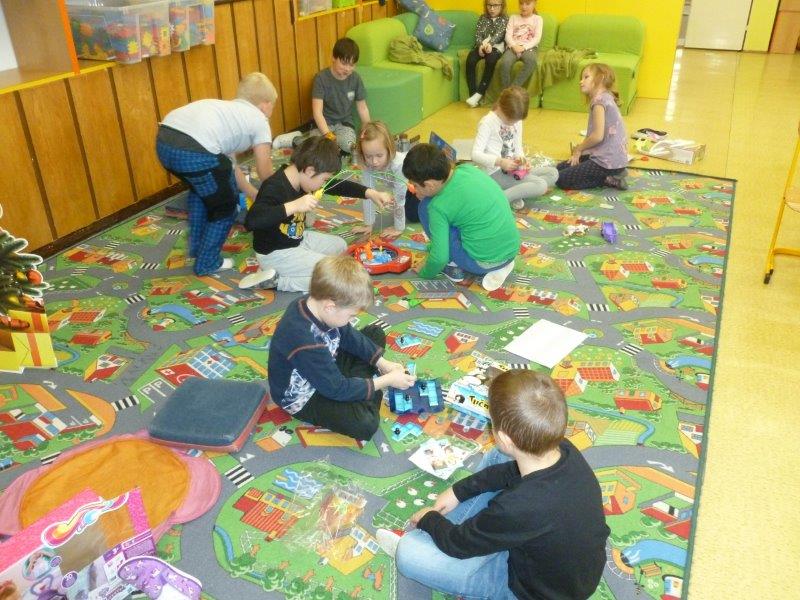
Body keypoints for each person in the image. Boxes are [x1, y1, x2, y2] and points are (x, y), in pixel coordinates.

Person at [376, 370, 610, 600]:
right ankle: (479, 534)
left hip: (531, 590)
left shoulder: (517, 507)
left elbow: (458, 543)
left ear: (505, 438)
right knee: (500, 458)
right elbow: (510, 471)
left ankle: (461, 541)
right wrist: (458, 491)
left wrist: (429, 519)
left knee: (408, 555)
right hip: (564, 565)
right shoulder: (565, 449)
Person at [267, 255, 416, 441]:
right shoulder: (305, 340)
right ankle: (363, 386)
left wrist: (383, 363)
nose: (352, 319)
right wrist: (386, 381)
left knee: (375, 333)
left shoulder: (315, 302)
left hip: (325, 367)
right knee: (366, 423)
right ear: (330, 307)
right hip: (305, 397)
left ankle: (361, 385)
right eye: (351, 315)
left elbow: (346, 333)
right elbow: (336, 388)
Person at [156, 72, 276, 276]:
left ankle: (197, 248)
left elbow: (229, 167)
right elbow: (265, 171)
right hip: (194, 151)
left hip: (165, 142)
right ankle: (207, 262)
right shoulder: (259, 120)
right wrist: (279, 194)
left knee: (203, 190)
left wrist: (253, 194)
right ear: (266, 105)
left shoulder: (228, 113)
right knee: (226, 206)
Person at [240, 136, 392, 292]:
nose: (324, 184)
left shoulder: (304, 177)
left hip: (297, 240)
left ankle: (295, 266)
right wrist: (294, 205)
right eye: (324, 179)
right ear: (310, 170)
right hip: (274, 254)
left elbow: (336, 185)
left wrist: (370, 193)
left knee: (341, 246)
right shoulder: (274, 186)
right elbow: (251, 221)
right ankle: (277, 281)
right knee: (333, 275)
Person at [402, 143, 520, 292]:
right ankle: (500, 264)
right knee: (461, 217)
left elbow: (439, 258)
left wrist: (425, 272)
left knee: (425, 207)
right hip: (511, 250)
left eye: (415, 185)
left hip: (481, 263)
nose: (414, 189)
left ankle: (452, 265)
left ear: (430, 185)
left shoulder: (437, 206)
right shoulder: (468, 169)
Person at [471, 86, 558, 210]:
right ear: (500, 107)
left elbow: (517, 147)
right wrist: (500, 162)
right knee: (541, 185)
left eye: (516, 121)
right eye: (509, 120)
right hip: (494, 173)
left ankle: (516, 192)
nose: (513, 123)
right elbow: (475, 154)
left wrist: (523, 161)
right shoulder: (488, 122)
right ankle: (500, 198)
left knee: (553, 173)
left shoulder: (516, 120)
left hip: (513, 171)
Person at [556, 63, 629, 190]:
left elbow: (597, 137)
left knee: (560, 179)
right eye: (581, 78)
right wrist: (580, 152)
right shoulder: (605, 97)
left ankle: (608, 178)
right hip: (608, 156)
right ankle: (613, 173)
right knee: (559, 169)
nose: (581, 81)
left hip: (607, 162)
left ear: (600, 78)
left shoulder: (599, 102)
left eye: (586, 77)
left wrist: (579, 149)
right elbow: (596, 136)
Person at [352, 121, 413, 240]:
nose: (374, 161)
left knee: (413, 214)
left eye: (379, 155)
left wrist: (398, 228)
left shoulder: (399, 165)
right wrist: (368, 224)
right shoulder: (367, 164)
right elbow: (368, 193)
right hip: (404, 189)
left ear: (389, 149)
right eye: (368, 156)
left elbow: (400, 198)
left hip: (419, 190)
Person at [311, 37, 370, 154]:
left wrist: (368, 129)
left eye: (352, 65)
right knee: (319, 148)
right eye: (344, 63)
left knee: (349, 147)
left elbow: (362, 108)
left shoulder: (355, 79)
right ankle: (296, 139)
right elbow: (317, 112)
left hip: (344, 124)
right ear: (333, 58)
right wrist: (328, 135)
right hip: (324, 124)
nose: (347, 69)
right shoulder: (321, 78)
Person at [465, 0, 509, 108]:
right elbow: (478, 34)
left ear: (502, 5)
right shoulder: (483, 18)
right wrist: (480, 45)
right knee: (470, 59)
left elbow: (500, 34)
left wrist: (490, 44)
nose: (492, 9)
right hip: (482, 46)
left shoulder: (505, 19)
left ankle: (479, 93)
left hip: (496, 47)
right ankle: (472, 94)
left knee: (491, 60)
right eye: (489, 5)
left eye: (495, 5)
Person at [497, 0, 542, 89]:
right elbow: (507, 36)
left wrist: (524, 47)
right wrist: (514, 46)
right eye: (521, 3)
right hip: (513, 47)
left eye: (527, 4)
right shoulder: (513, 17)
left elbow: (537, 38)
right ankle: (506, 91)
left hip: (529, 48)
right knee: (505, 63)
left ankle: (512, 89)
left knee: (531, 61)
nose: (523, 7)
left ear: (534, 4)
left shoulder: (538, 19)